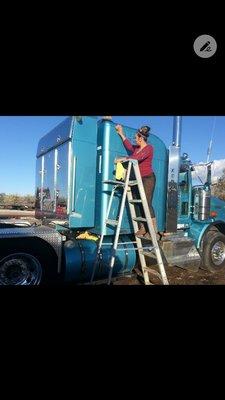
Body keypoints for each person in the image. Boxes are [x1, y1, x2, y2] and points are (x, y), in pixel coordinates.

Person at [115, 124, 159, 239]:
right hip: (137, 179)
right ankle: (143, 227)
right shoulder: (137, 149)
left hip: (148, 179)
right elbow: (129, 147)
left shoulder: (149, 148)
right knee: (138, 203)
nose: (135, 140)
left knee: (147, 203)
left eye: (136, 138)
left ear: (141, 138)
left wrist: (123, 159)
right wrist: (121, 133)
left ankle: (152, 230)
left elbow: (137, 158)